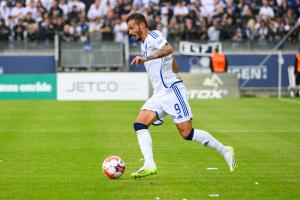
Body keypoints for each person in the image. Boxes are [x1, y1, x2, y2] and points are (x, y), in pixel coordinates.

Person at [126, 13, 237, 178]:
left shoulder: (153, 35)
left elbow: (169, 49)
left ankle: (225, 150)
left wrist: (147, 58)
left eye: (131, 28)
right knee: (139, 124)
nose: (130, 32)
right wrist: (178, 73)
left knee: (187, 133)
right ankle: (149, 164)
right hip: (159, 94)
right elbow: (170, 57)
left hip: (172, 91)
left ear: (142, 25)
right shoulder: (145, 44)